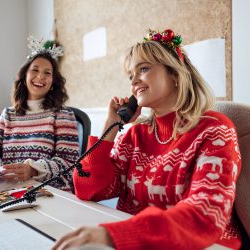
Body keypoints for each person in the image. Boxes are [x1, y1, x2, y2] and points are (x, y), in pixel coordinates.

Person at [53, 29, 241, 249]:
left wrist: (116, 235)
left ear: (174, 73)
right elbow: (89, 189)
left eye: (143, 69)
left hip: (206, 245)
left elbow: (205, 214)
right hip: (139, 242)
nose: (134, 81)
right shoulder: (135, 135)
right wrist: (110, 127)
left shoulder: (214, 129)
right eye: (130, 75)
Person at [0, 40, 79, 192]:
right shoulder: (8, 115)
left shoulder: (63, 115)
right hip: (7, 192)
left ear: (53, 81)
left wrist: (34, 170)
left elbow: (69, 165)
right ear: (24, 75)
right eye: (35, 70)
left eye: (47, 73)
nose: (40, 76)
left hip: (47, 194)